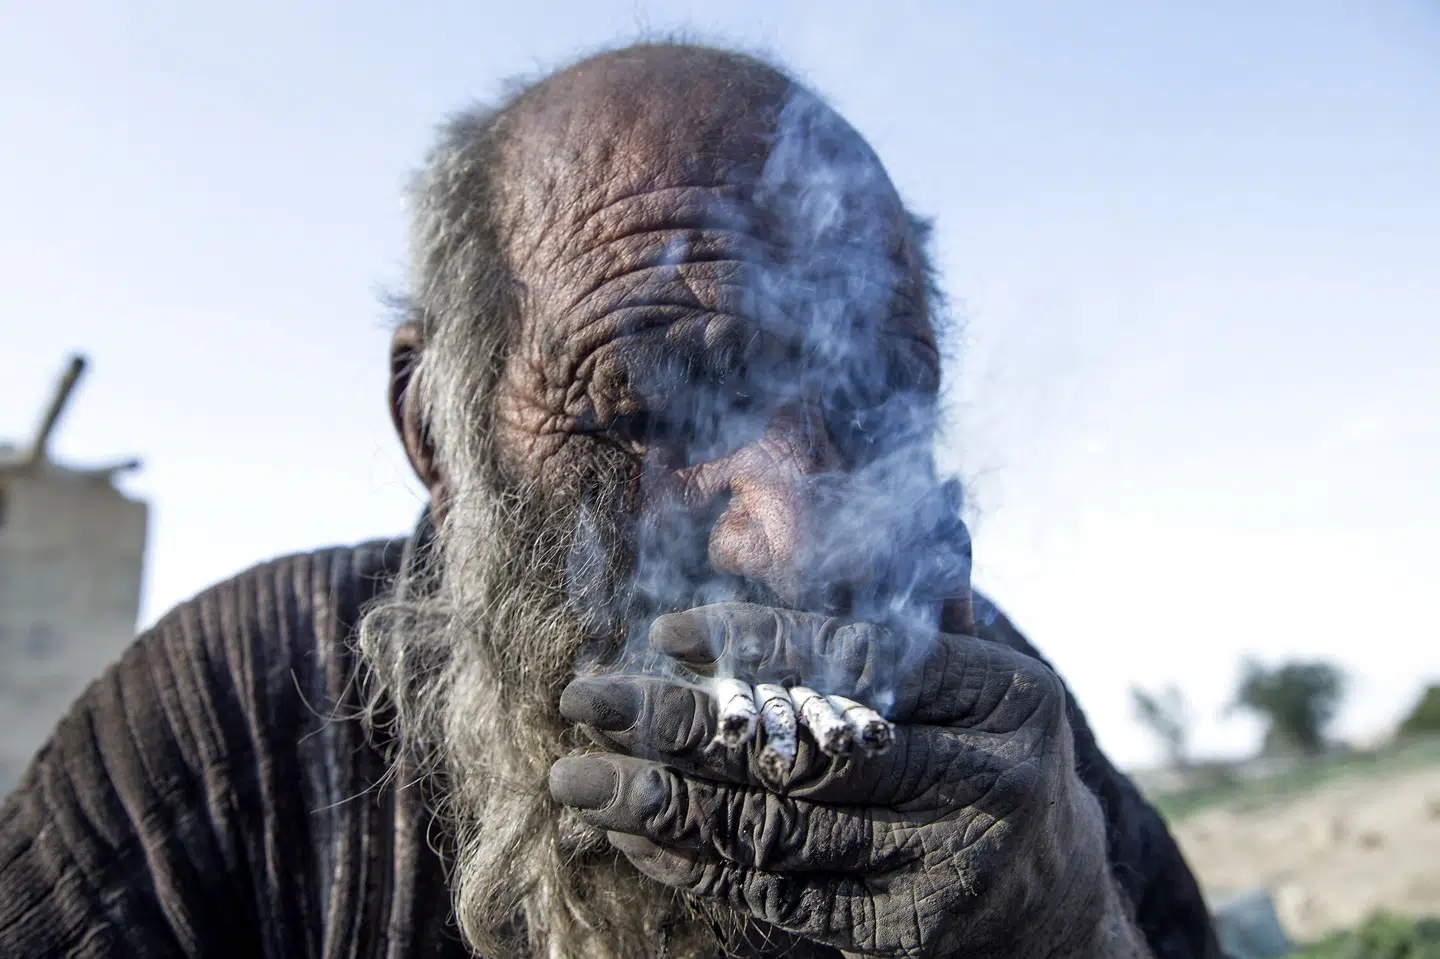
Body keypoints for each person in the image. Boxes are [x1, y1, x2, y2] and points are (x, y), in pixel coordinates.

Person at [0, 42, 1222, 959]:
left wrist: (1066, 927)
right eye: (652, 400)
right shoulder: (239, 718)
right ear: (437, 427)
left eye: (870, 402)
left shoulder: (993, 733)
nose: (791, 542)